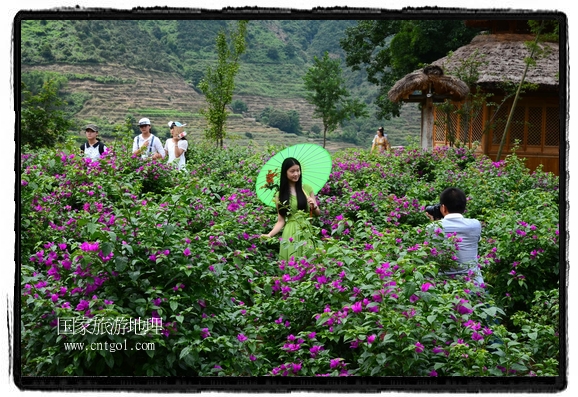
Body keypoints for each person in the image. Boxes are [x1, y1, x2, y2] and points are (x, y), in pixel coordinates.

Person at [261, 157, 321, 261]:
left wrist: (313, 206)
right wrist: (269, 234)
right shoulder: (280, 195)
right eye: (292, 171)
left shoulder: (307, 189)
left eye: (298, 170)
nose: (296, 174)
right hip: (290, 233)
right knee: (292, 265)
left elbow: (318, 213)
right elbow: (281, 221)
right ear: (285, 173)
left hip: (306, 230)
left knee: (309, 263)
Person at [426, 187, 484, 286]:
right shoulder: (475, 225)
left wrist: (435, 223)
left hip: (445, 288)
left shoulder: (432, 227)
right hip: (474, 286)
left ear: (443, 208)